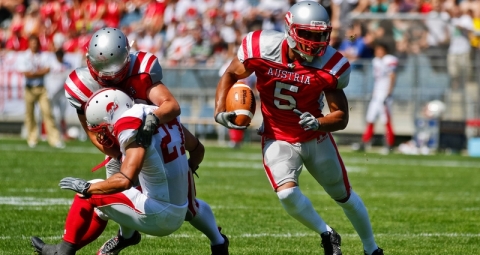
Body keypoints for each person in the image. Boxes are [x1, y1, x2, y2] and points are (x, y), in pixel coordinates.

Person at [214, 2, 383, 255]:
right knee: (286, 194)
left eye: (320, 35)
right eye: (306, 34)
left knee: (344, 196)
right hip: (278, 136)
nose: (314, 42)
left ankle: (372, 249)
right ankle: (327, 233)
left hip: (315, 138)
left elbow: (341, 116)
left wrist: (319, 123)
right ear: (290, 30)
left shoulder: (332, 65)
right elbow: (230, 75)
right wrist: (219, 111)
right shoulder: (261, 48)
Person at [63, 27, 229, 254]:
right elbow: (92, 132)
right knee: (116, 198)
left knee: (188, 208)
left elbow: (171, 106)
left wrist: (152, 121)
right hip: (123, 143)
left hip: (153, 139)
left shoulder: (141, 71)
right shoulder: (82, 83)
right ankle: (125, 236)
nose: (109, 79)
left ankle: (218, 241)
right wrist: (118, 151)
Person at [30, 88, 195, 255]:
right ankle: (119, 238)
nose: (103, 133)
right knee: (103, 206)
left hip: (160, 214)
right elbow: (198, 149)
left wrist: (87, 188)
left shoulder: (128, 124)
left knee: (90, 192)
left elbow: (125, 180)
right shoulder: (155, 112)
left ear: (110, 113)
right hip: (180, 208)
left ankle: (62, 251)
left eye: (102, 127)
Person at [16, 35, 64, 149]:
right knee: (30, 114)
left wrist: (33, 73)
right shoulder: (25, 56)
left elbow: (47, 70)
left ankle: (54, 139)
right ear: (29, 44)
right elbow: (25, 73)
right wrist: (37, 72)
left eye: (36, 43)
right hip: (29, 88)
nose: (34, 45)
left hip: (41, 88)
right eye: (32, 43)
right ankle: (32, 138)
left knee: (48, 113)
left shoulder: (44, 55)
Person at [352, 39, 398, 154]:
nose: (377, 52)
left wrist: (389, 92)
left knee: (386, 119)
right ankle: (365, 142)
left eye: (379, 50)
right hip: (377, 93)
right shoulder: (376, 61)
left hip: (385, 94)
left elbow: (392, 76)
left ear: (385, 51)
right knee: (370, 118)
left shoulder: (389, 60)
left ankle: (389, 144)